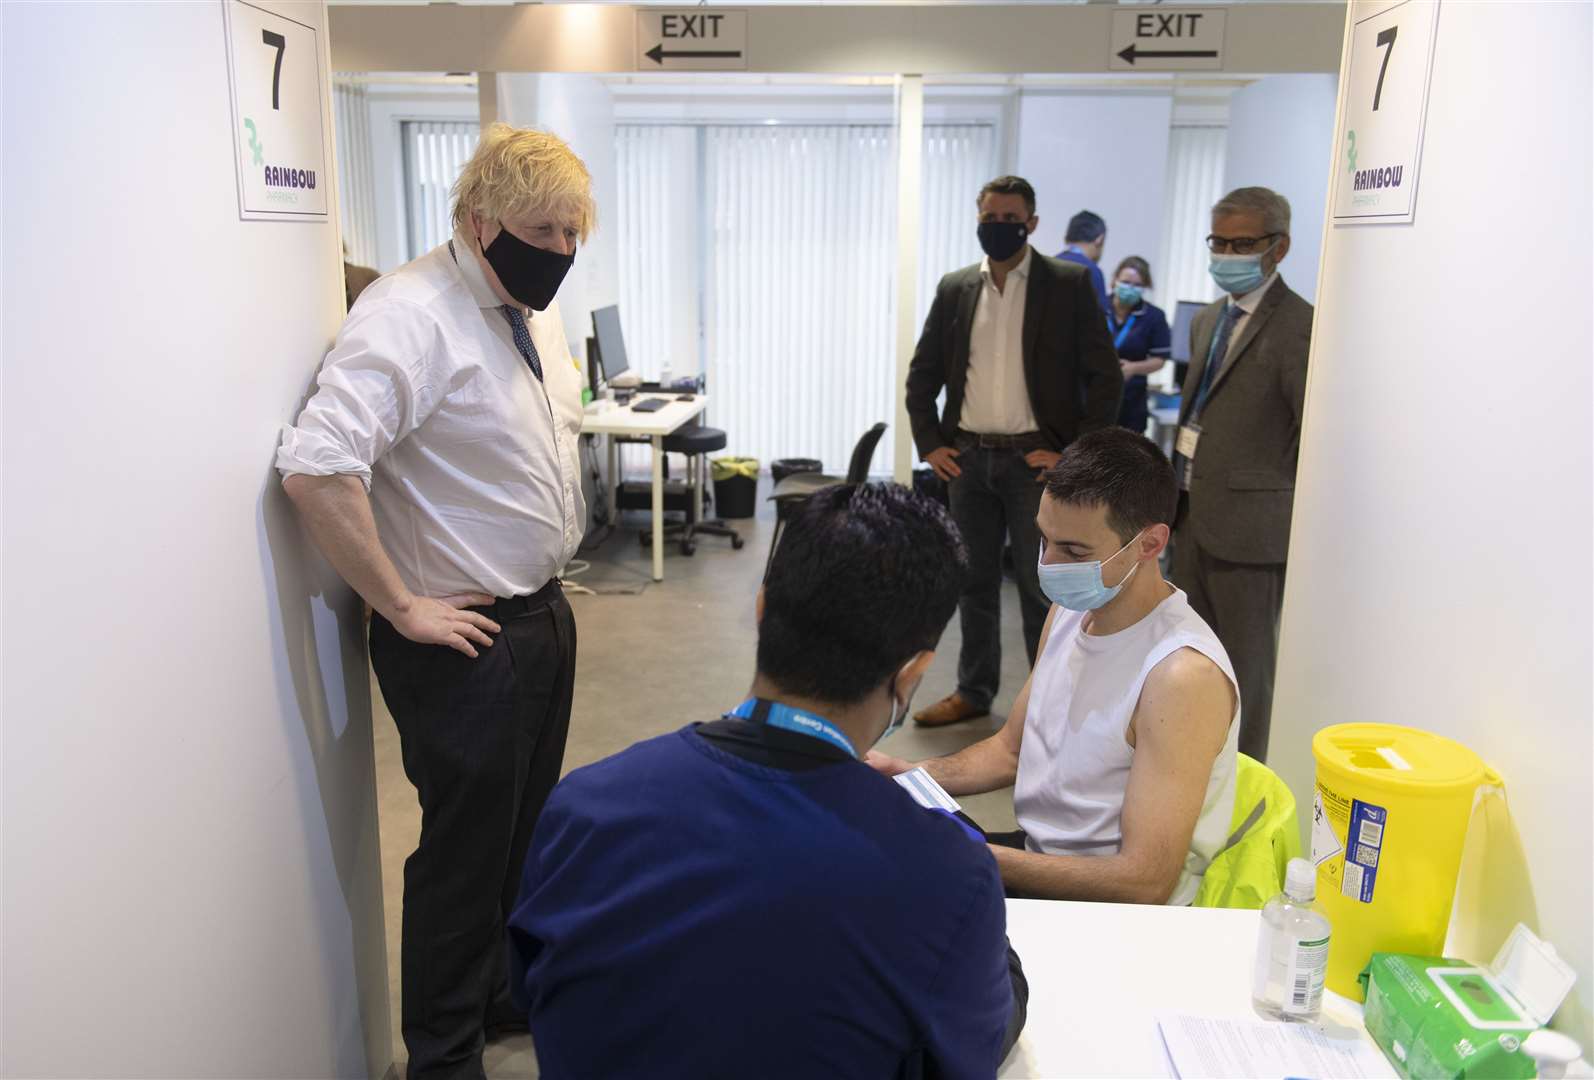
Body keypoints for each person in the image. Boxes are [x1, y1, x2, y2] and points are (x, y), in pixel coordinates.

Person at [508, 484, 1028, 1078]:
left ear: (761, 608)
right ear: (912, 674)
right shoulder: (946, 877)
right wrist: (998, 955)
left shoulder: (583, 807)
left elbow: (533, 990)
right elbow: (975, 1044)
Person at [276, 123, 593, 1079]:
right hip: (460, 633)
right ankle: (444, 1054)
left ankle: (497, 993)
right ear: (478, 218)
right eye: (543, 231)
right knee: (463, 854)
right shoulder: (409, 314)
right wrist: (403, 605)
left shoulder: (527, 313)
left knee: (524, 833)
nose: (563, 253)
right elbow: (318, 465)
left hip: (540, 613)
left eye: (576, 232)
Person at [870, 429, 1240, 906]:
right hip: (1041, 859)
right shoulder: (1070, 611)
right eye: (1043, 540)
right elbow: (1012, 750)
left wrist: (973, 856)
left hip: (1105, 911)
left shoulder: (1181, 675)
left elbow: (1144, 882)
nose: (1049, 563)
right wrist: (906, 775)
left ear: (1149, 544)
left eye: (1074, 551)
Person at [906, 176, 1122, 729]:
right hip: (968, 461)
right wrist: (930, 443)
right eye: (989, 217)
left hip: (1037, 465)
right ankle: (974, 691)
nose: (997, 227)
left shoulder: (1068, 284)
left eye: (1010, 219)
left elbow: (1104, 376)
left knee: (1041, 586)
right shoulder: (956, 287)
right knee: (973, 581)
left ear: (1032, 223)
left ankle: (1047, 706)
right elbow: (923, 374)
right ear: (976, 217)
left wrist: (1074, 453)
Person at [1169, 186, 1312, 762]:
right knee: (1190, 662)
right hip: (1188, 517)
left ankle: (1247, 791)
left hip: (1253, 532)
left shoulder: (1300, 326)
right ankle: (1189, 773)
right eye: (1219, 241)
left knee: (1247, 675)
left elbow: (1311, 438)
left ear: (1278, 248)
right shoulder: (1207, 321)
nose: (1227, 254)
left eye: (1242, 243)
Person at [1106, 256, 1172, 435]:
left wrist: (1133, 368)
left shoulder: (1154, 316)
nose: (1130, 288)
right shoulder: (1096, 307)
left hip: (1131, 402)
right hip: (1093, 397)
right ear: (1114, 281)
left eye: (1137, 285)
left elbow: (1160, 360)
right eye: (1126, 282)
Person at [1056, 209, 1110, 313]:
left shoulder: (1045, 265)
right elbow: (1100, 323)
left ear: (1066, 238)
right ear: (1100, 239)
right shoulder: (1092, 271)